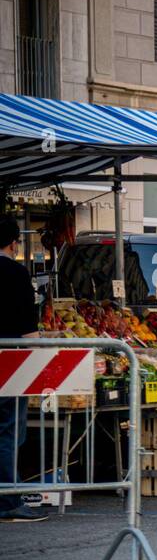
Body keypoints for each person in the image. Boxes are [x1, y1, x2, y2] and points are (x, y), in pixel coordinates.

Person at [0, 216, 46, 524]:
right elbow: (29, 331)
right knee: (7, 430)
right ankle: (8, 502)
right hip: (10, 363)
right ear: (14, 243)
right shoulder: (15, 274)